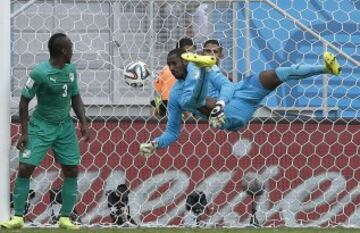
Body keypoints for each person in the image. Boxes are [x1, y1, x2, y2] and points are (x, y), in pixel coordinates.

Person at [140, 49, 341, 157]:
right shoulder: (175, 94)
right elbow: (173, 132)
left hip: (237, 95)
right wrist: (156, 143)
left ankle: (325, 68)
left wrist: (221, 103)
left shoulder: (208, 69)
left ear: (184, 62)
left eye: (174, 64)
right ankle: (215, 110)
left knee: (271, 75)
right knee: (190, 100)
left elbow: (227, 86)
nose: (172, 68)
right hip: (229, 117)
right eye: (169, 66)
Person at [0, 33, 90, 230]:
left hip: (64, 127)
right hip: (40, 126)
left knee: (71, 169)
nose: (73, 51)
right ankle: (18, 217)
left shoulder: (71, 70)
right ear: (64, 51)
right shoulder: (39, 73)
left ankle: (65, 218)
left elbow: (75, 96)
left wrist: (83, 122)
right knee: (25, 168)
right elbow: (24, 102)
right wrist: (24, 132)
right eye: (71, 47)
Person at [151, 37, 196, 117]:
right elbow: (160, 99)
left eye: (192, 51)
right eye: (187, 52)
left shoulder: (195, 70)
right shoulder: (171, 72)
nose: (191, 55)